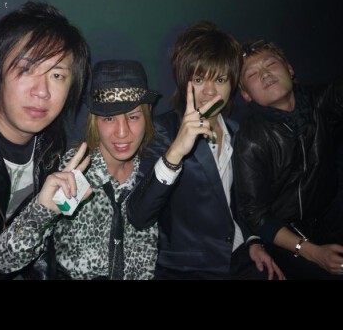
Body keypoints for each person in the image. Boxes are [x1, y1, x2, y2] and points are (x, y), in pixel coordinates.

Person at [127, 21, 284, 280]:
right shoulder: (163, 129)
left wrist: (252, 240)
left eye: (220, 80)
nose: (210, 92)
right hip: (185, 269)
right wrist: (176, 152)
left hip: (239, 258)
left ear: (232, 84)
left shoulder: (237, 131)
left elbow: (239, 204)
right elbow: (138, 216)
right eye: (199, 79)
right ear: (184, 81)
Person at [0, 1, 89, 279]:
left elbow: (39, 249)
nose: (42, 91)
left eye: (57, 75)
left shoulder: (51, 145)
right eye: (26, 69)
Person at [0, 60, 159, 280]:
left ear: (147, 117)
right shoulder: (70, 173)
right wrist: (42, 211)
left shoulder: (153, 173)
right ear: (95, 122)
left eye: (133, 117)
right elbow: (5, 261)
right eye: (109, 118)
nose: (122, 132)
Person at [234, 39, 343, 279]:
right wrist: (313, 253)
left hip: (332, 214)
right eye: (252, 74)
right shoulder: (251, 139)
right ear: (246, 95)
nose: (265, 74)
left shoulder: (318, 102)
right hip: (287, 235)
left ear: (290, 70)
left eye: (270, 64)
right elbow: (255, 214)